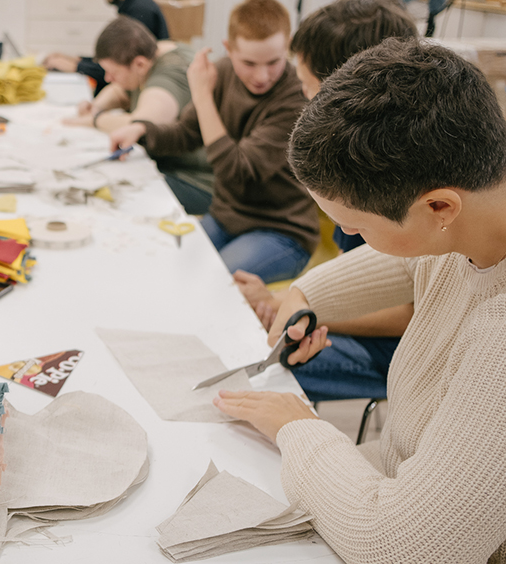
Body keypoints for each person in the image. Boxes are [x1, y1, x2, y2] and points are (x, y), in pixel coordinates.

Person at [215, 39, 506, 564]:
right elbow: (414, 258)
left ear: (439, 205)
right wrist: (305, 294)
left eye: (355, 226)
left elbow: (405, 547)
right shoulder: (470, 217)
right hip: (393, 478)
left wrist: (296, 427)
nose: (345, 234)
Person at [232, 0, 419, 402]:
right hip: (353, 321)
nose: (304, 103)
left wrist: (297, 306)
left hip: (395, 353)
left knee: (242, 356)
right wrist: (293, 301)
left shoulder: (398, 180)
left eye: (307, 89)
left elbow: (407, 313)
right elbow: (348, 271)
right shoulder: (362, 159)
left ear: (346, 90)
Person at [110, 0, 317, 282]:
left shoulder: (296, 98)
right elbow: (186, 133)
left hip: (281, 230)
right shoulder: (222, 72)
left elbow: (237, 171)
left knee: (211, 282)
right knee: (165, 267)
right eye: (249, 62)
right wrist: (143, 130)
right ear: (229, 49)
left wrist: (203, 96)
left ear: (287, 49)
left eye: (273, 62)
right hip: (226, 217)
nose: (262, 75)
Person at [60, 17, 212, 214]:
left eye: (113, 73)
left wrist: (93, 120)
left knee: (116, 196)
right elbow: (122, 90)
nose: (108, 79)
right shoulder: (157, 51)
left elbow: (136, 126)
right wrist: (97, 105)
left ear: (139, 64)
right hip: (182, 169)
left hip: (197, 181)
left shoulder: (168, 78)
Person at [44, 0, 170, 96]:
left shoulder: (139, 11)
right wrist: (75, 59)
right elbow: (116, 58)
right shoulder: (135, 5)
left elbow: (121, 68)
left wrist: (73, 65)